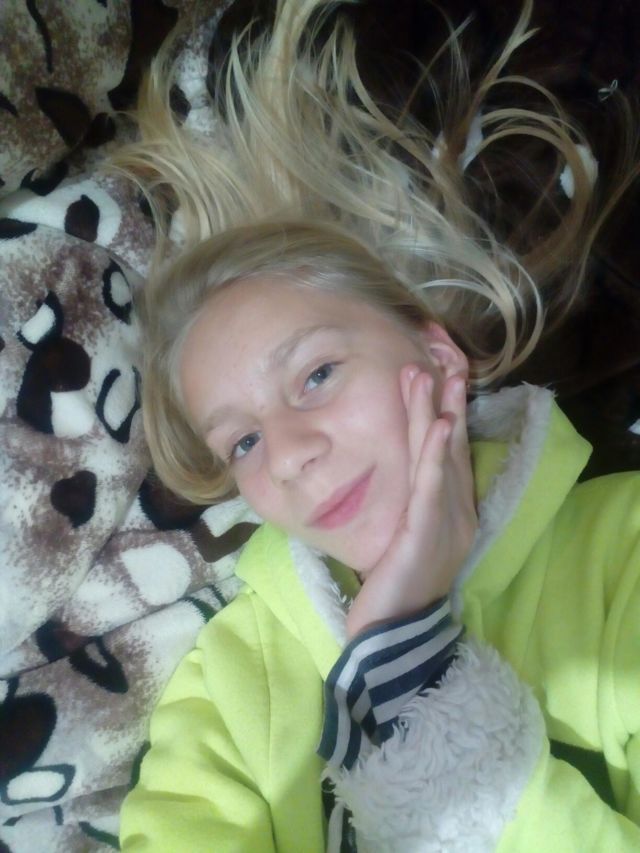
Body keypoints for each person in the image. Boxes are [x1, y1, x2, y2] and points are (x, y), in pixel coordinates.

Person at [114, 0, 640, 849]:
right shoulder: (228, 683)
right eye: (242, 440)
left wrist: (410, 662)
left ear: (436, 357)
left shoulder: (624, 551)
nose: (288, 455)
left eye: (316, 374)